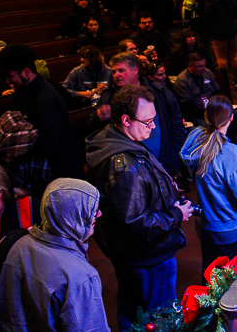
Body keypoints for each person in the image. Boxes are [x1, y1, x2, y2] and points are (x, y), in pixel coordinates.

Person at [86, 85, 192, 330]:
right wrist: (177, 214)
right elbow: (137, 224)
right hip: (148, 257)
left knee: (133, 309)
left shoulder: (118, 141)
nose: (153, 127)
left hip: (134, 255)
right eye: (148, 121)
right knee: (156, 319)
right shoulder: (124, 166)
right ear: (125, 120)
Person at [0, 178, 109, 331]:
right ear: (73, 217)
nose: (100, 214)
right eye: (93, 210)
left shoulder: (19, 245)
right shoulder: (81, 276)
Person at [0, 45, 84, 196]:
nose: (8, 81)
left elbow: (48, 143)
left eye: (11, 76)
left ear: (26, 72)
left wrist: (15, 143)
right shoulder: (22, 92)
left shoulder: (46, 99)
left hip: (57, 175)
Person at [180, 95, 237, 271]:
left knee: (209, 272)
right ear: (231, 118)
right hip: (229, 226)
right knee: (226, 278)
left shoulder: (195, 137)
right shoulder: (230, 154)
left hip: (206, 223)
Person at [89, 52, 186, 177]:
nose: (116, 75)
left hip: (163, 159)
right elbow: (91, 128)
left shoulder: (158, 91)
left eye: (121, 70)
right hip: (130, 167)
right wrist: (98, 117)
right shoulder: (108, 97)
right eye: (114, 72)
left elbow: (176, 121)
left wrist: (176, 151)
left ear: (135, 70)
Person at [204, 0, 237, 88]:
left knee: (221, 58)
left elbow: (207, 19)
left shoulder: (210, 1)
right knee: (234, 56)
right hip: (231, 30)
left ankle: (225, 81)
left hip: (217, 33)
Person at [173, 53, 221, 127]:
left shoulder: (208, 72)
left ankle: (227, 138)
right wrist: (208, 116)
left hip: (212, 110)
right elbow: (188, 107)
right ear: (191, 66)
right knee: (210, 126)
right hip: (196, 115)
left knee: (236, 115)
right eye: (199, 66)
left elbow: (217, 92)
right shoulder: (182, 80)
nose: (203, 69)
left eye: (204, 65)